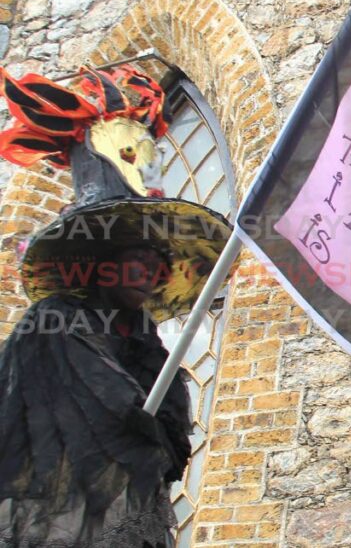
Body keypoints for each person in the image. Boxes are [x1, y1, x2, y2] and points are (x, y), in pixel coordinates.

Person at [0, 65, 231, 547]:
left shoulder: (147, 346)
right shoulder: (53, 322)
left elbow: (166, 445)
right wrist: (134, 422)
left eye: (158, 263)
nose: (153, 271)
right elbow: (88, 414)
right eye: (138, 259)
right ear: (103, 263)